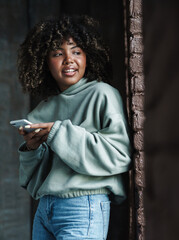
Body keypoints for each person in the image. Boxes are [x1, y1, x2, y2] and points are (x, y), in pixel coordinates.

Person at [16, 15, 132, 240]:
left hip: (83, 204)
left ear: (88, 55)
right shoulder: (42, 110)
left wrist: (59, 133)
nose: (69, 60)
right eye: (58, 53)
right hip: (45, 208)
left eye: (76, 51)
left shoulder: (102, 94)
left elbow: (120, 155)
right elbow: (30, 181)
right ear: (44, 61)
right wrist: (31, 150)